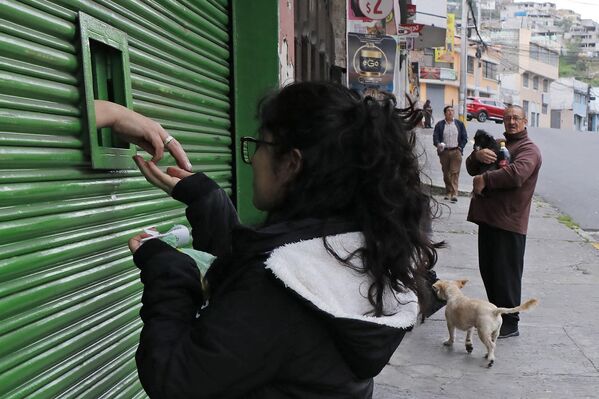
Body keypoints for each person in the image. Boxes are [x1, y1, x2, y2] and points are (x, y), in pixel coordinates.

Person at [103, 82, 443, 397]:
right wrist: (208, 201)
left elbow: (174, 378)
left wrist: (170, 273)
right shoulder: (353, 252)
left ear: (291, 163)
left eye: (260, 145)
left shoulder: (281, 293)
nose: (252, 160)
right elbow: (256, 293)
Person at [465, 105, 542, 339]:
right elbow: (471, 168)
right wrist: (476, 156)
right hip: (489, 219)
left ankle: (510, 323)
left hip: (510, 221)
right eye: (508, 118)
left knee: (506, 275)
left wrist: (485, 178)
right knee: (489, 271)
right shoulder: (499, 144)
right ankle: (496, 318)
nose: (511, 122)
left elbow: (516, 175)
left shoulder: (529, 149)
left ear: (525, 121)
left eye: (516, 118)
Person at [432, 105, 468, 203]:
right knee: (446, 174)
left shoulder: (459, 124)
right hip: (444, 152)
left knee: (454, 173)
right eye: (448, 111)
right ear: (445, 113)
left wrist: (460, 148)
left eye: (452, 110)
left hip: (456, 151)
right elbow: (435, 138)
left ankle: (454, 194)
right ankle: (448, 191)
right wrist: (438, 144)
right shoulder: (439, 125)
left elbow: (465, 137)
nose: (451, 112)